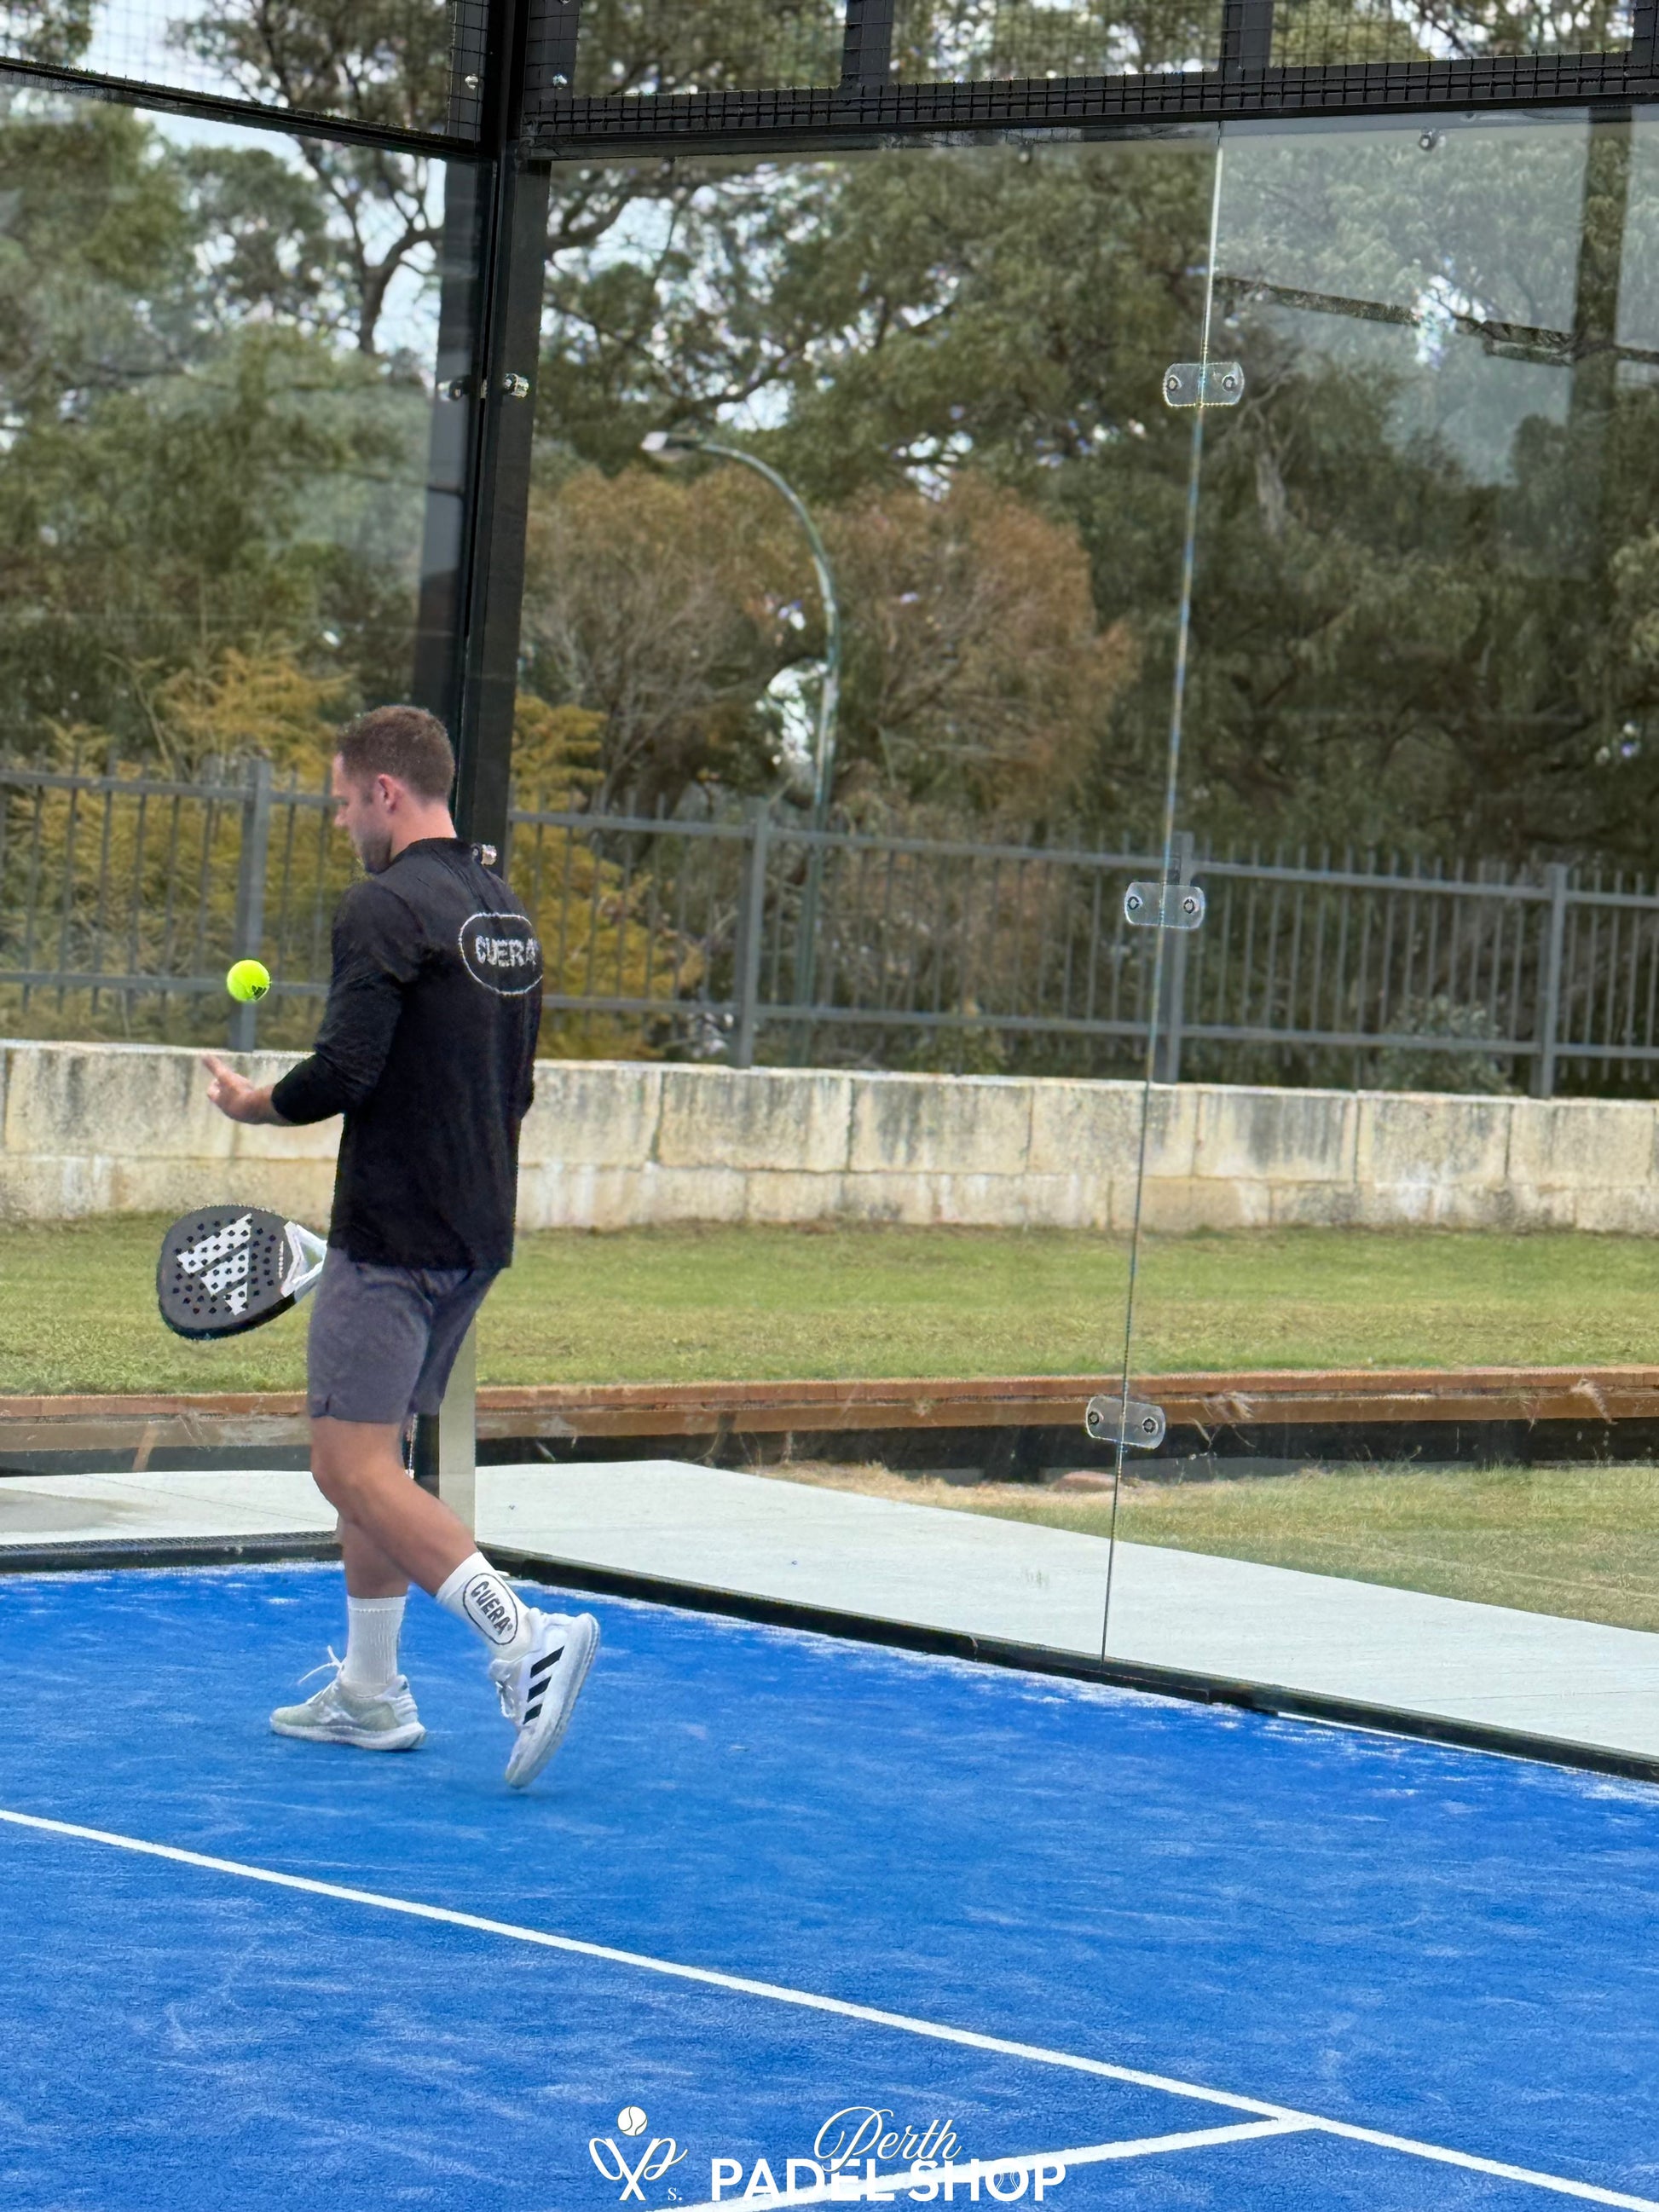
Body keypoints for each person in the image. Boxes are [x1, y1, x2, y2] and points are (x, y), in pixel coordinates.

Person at [202, 703, 598, 1789]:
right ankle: (370, 1693)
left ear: (385, 791)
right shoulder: (503, 911)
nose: (340, 822)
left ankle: (523, 1638)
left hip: (393, 1234)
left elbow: (345, 1070)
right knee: (375, 1458)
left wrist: (254, 1104)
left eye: (342, 802)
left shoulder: (382, 906)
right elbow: (514, 1083)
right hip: (475, 1229)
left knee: (346, 1463)